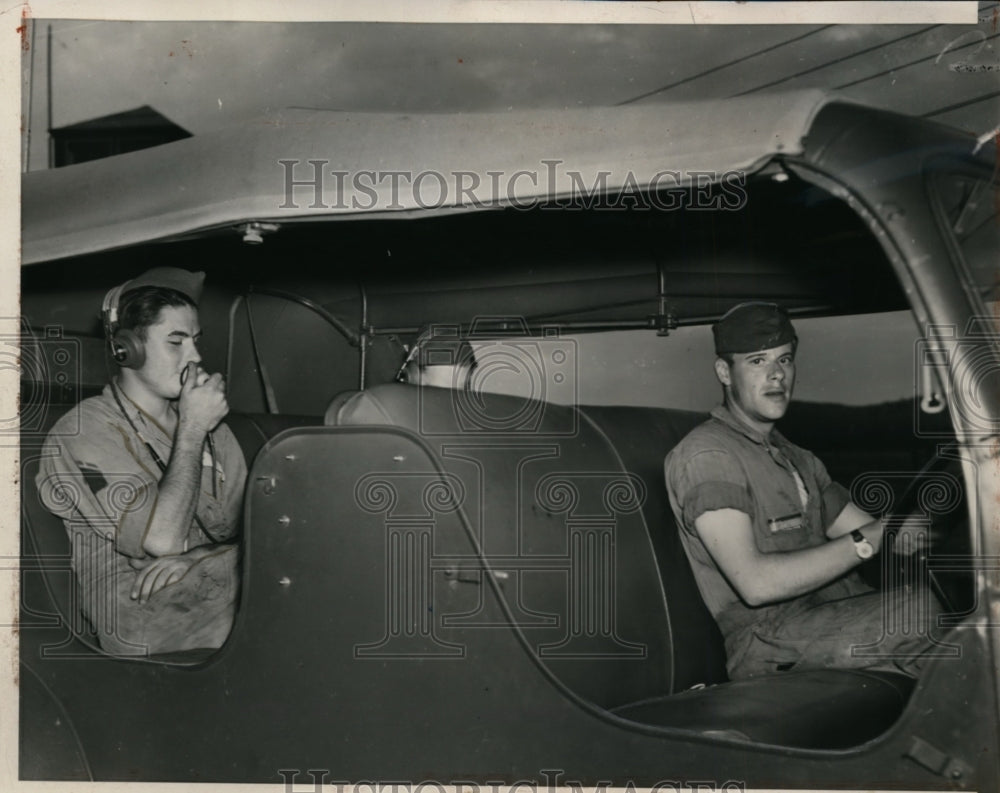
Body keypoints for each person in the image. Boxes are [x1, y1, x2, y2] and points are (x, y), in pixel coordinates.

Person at [664, 302, 941, 679]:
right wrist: (872, 537)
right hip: (769, 643)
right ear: (724, 372)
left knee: (962, 611)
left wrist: (915, 530)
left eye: (785, 360)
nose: (777, 375)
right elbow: (756, 584)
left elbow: (878, 532)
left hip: (835, 619)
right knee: (927, 612)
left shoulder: (798, 457)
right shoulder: (708, 455)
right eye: (758, 362)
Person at [36, 267, 246, 656]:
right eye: (176, 342)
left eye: (196, 341)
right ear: (126, 349)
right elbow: (162, 540)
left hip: (213, 580)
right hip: (144, 611)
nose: (195, 357)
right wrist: (192, 428)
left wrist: (201, 556)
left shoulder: (214, 429)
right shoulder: (84, 431)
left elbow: (253, 528)